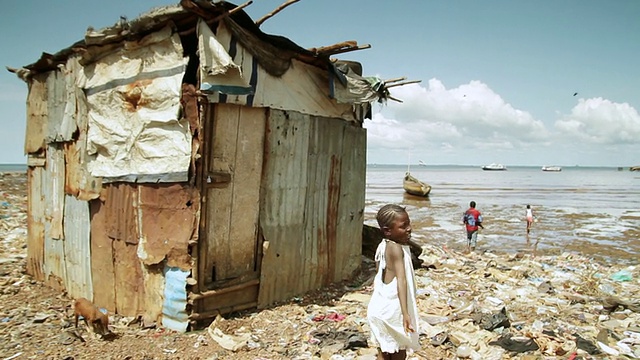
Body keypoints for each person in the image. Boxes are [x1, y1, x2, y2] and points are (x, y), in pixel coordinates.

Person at [367, 204, 420, 359]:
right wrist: (405, 313)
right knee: (399, 352)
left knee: (384, 351)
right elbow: (401, 280)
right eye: (403, 227)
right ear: (387, 230)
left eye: (409, 224)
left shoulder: (383, 246)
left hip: (379, 308)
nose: (409, 229)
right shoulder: (396, 249)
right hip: (392, 312)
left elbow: (379, 275)